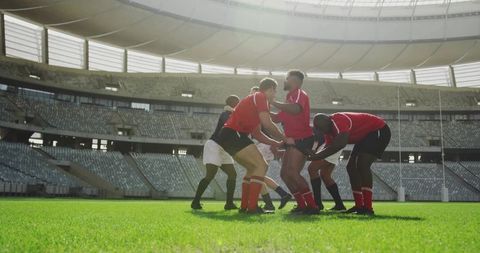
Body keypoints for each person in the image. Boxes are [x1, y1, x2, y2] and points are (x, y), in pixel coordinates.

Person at [216, 78, 293, 214]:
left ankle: (245, 206)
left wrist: (275, 142)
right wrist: (285, 138)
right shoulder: (260, 96)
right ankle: (252, 207)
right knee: (262, 166)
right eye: (274, 91)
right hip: (235, 133)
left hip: (231, 135)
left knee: (252, 168)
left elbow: (257, 134)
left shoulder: (256, 101)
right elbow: (267, 123)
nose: (275, 95)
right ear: (270, 89)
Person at [307, 112, 391, 215]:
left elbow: (340, 144)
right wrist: (315, 155)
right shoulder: (329, 130)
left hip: (377, 129)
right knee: (351, 167)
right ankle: (359, 206)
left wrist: (315, 157)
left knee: (362, 165)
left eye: (322, 128)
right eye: (319, 129)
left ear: (327, 121)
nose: (322, 131)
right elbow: (328, 147)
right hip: (365, 136)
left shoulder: (338, 120)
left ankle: (368, 208)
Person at [270, 70, 319, 214]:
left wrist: (272, 102)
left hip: (301, 138)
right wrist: (262, 111)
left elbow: (296, 109)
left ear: (295, 81)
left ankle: (312, 206)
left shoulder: (299, 94)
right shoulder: (289, 97)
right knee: (285, 174)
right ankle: (302, 204)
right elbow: (278, 118)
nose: (284, 81)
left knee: (292, 172)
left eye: (287, 79)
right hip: (293, 139)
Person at [191, 95, 240, 210]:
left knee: (233, 174)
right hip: (215, 145)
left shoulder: (233, 115)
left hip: (225, 148)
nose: (239, 105)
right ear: (234, 104)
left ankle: (229, 204)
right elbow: (230, 126)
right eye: (238, 103)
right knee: (210, 175)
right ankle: (195, 202)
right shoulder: (226, 114)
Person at [249, 86, 292, 211]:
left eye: (253, 93)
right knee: (258, 175)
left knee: (255, 174)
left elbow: (265, 125)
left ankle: (274, 200)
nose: (251, 96)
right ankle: (280, 196)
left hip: (262, 143)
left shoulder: (257, 106)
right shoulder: (260, 106)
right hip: (264, 143)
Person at [307, 127, 346, 211]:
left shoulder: (312, 128)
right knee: (325, 175)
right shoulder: (316, 128)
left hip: (331, 146)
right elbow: (317, 140)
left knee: (312, 168)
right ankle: (339, 205)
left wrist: (313, 152)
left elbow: (317, 140)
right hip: (329, 145)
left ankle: (317, 203)